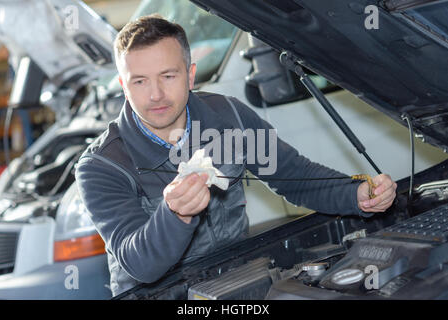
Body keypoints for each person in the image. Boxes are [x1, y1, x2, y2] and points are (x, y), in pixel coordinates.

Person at [75, 15, 397, 297]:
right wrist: (174, 214)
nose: (155, 94)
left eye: (168, 76)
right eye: (140, 81)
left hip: (237, 284)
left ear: (190, 75)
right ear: (123, 85)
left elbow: (294, 175)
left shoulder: (229, 116)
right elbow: (140, 265)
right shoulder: (102, 166)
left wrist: (355, 194)